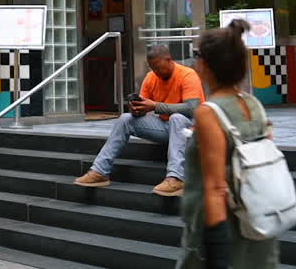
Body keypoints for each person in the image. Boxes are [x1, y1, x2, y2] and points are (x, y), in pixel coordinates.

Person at [177, 23, 280, 269]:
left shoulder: (209, 113)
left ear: (206, 65)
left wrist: (218, 256)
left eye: (196, 55)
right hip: (257, 226)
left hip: (222, 233)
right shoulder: (254, 105)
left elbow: (214, 187)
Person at [74, 44, 205, 196]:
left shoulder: (187, 75)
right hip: (167, 127)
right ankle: (99, 172)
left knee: (177, 118)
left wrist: (155, 106)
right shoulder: (151, 78)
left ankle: (176, 178)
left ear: (169, 60)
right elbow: (144, 109)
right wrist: (136, 109)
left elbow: (192, 108)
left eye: (158, 67)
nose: (156, 72)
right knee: (125, 119)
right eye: (152, 68)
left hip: (192, 129)